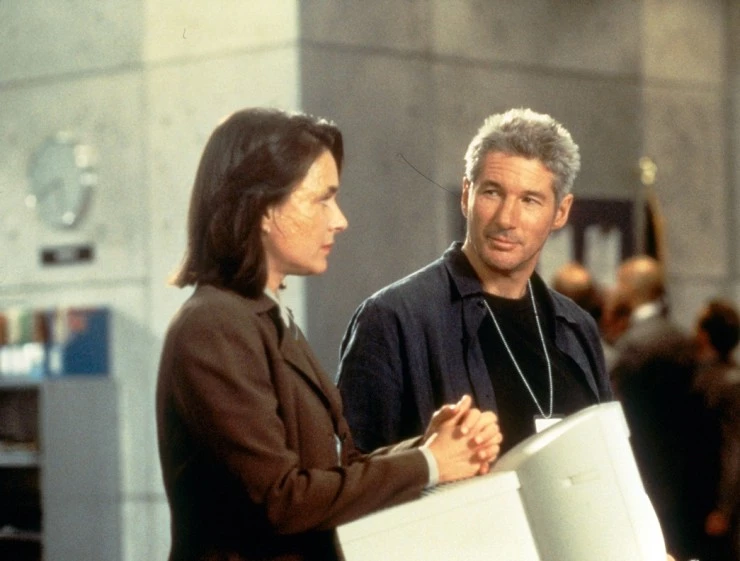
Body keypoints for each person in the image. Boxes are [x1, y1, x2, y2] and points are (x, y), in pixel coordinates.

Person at [155, 108, 502, 561]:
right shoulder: (214, 326)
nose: (339, 220)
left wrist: (428, 447)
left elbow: (335, 469)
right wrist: (431, 463)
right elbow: (283, 499)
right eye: (322, 199)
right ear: (263, 208)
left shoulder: (261, 317)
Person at [336, 108, 612, 459]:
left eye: (529, 200)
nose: (506, 219)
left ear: (561, 212)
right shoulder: (394, 318)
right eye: (492, 193)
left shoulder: (577, 327)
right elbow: (354, 473)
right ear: (466, 195)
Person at [608, 255, 702, 560]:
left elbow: (614, 411)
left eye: (619, 282)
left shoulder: (631, 345)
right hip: (685, 468)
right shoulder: (683, 339)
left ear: (630, 288)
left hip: (643, 466)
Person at [692, 299, 740, 560]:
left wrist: (724, 507)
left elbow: (734, 447)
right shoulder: (719, 376)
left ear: (705, 334)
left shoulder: (725, 384)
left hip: (715, 501)